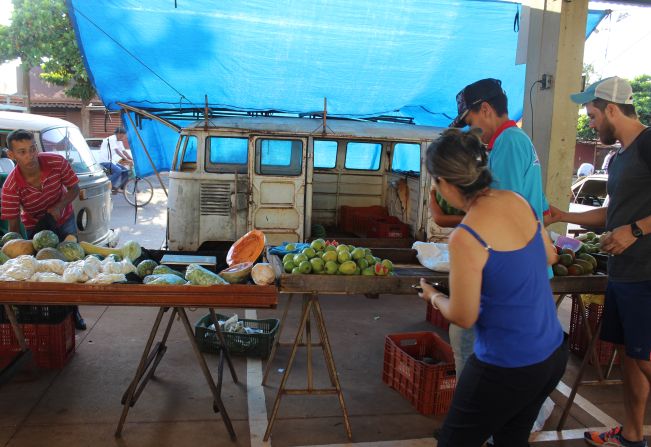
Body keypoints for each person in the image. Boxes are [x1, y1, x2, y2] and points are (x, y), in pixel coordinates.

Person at [420, 129, 566, 446]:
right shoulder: (518, 201)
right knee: (510, 439)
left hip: (505, 365)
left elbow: (464, 315)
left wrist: (435, 297)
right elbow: (550, 255)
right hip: (552, 354)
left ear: (444, 183)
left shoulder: (467, 236)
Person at [548, 76, 651, 447]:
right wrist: (562, 214)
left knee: (645, 360)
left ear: (610, 108)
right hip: (623, 273)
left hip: (647, 274)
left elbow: (630, 223)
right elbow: (612, 214)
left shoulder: (648, 143)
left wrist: (635, 230)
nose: (590, 122)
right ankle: (631, 435)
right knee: (630, 359)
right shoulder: (619, 156)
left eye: (592, 114)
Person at [449, 77, 552, 375]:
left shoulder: (507, 143)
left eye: (469, 120)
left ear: (485, 109)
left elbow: (498, 215)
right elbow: (543, 209)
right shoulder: (519, 141)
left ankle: (478, 417)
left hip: (509, 273)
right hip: (527, 268)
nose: (470, 128)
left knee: (466, 343)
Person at [1, 129, 87, 330]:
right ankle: (50, 317)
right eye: (22, 152)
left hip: (64, 218)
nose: (29, 156)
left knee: (72, 267)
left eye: (32, 149)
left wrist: (59, 206)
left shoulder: (56, 162)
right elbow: (13, 227)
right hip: (34, 228)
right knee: (46, 274)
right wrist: (18, 250)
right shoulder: (10, 187)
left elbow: (74, 188)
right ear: (11, 155)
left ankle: (74, 312)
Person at [99, 127, 133, 193]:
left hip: (111, 161)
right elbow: (117, 151)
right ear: (118, 134)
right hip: (104, 160)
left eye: (124, 135)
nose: (123, 137)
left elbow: (123, 151)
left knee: (125, 171)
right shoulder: (112, 139)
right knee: (118, 170)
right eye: (122, 135)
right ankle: (109, 187)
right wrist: (127, 160)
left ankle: (122, 188)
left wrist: (131, 159)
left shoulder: (119, 141)